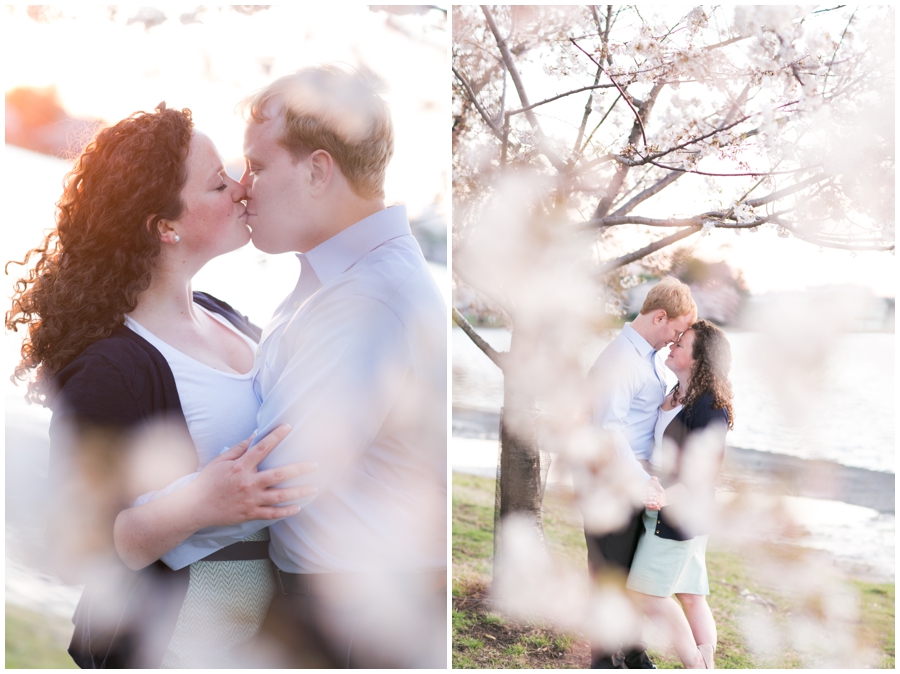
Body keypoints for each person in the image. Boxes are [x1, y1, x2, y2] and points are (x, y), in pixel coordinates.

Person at [155, 65, 448, 668]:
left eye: (258, 167)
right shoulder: (339, 280)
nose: (242, 186)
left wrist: (136, 530)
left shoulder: (368, 298)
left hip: (349, 622)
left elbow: (270, 480)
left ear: (318, 171)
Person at [6, 105, 317, 668]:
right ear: (165, 226)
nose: (241, 188)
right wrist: (201, 501)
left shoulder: (224, 316)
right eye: (219, 182)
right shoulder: (112, 368)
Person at [583, 277, 697, 668]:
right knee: (608, 576)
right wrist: (642, 480)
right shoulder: (620, 360)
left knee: (628, 576)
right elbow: (608, 430)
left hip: (635, 484)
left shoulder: (646, 358)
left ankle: (631, 653)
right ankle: (604, 661)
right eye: (677, 331)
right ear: (660, 317)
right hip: (615, 486)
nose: (676, 339)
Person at [626, 319, 733, 669]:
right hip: (673, 508)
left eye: (681, 344)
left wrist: (663, 499)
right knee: (690, 594)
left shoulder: (708, 407)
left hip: (679, 514)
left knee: (647, 595)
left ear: (700, 360)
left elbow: (703, 473)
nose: (672, 345)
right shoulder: (675, 392)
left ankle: (694, 663)